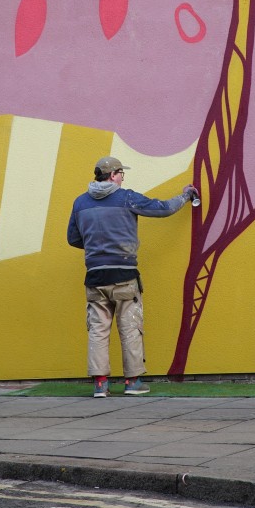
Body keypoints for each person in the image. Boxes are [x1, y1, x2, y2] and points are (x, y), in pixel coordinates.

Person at [67, 156, 195, 398]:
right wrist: (186, 196)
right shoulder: (125, 197)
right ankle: (132, 382)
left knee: (98, 330)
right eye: (121, 173)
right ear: (113, 174)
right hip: (124, 274)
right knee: (130, 328)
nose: (123, 177)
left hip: (94, 277)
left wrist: (97, 243)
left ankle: (100, 385)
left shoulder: (80, 203)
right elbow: (163, 208)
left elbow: (73, 239)